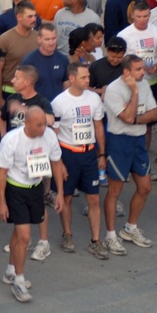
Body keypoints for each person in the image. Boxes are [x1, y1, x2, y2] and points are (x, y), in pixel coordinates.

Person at [0, 106, 65, 303]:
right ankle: (19, 281)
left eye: (45, 124)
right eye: (39, 125)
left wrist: (59, 193)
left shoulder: (49, 136)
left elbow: (57, 162)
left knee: (20, 232)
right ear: (26, 124)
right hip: (15, 188)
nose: (43, 129)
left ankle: (10, 271)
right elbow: (1, 172)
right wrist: (1, 202)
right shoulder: (12, 139)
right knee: (25, 236)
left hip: (35, 187)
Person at [51, 63, 108, 259]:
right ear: (72, 79)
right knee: (66, 197)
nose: (88, 80)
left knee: (94, 198)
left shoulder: (93, 98)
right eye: (84, 77)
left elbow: (98, 126)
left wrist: (101, 154)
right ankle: (67, 235)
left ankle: (95, 241)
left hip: (89, 154)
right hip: (68, 154)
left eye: (88, 77)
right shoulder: (59, 102)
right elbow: (54, 134)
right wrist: (59, 163)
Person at [103, 55, 157, 254]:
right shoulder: (114, 89)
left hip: (139, 141)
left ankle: (130, 228)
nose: (143, 72)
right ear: (126, 72)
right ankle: (110, 235)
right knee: (115, 191)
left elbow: (154, 114)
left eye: (142, 68)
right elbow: (124, 117)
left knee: (145, 187)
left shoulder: (144, 85)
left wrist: (135, 120)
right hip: (119, 142)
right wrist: (134, 91)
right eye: (138, 69)